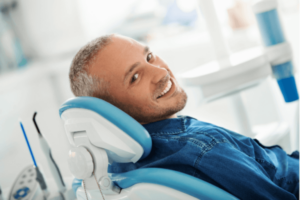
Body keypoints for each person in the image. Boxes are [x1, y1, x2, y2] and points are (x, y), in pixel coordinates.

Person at [69, 34, 299, 200]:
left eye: (149, 56)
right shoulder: (202, 147)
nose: (160, 72)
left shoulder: (116, 170)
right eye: (135, 77)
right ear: (112, 110)